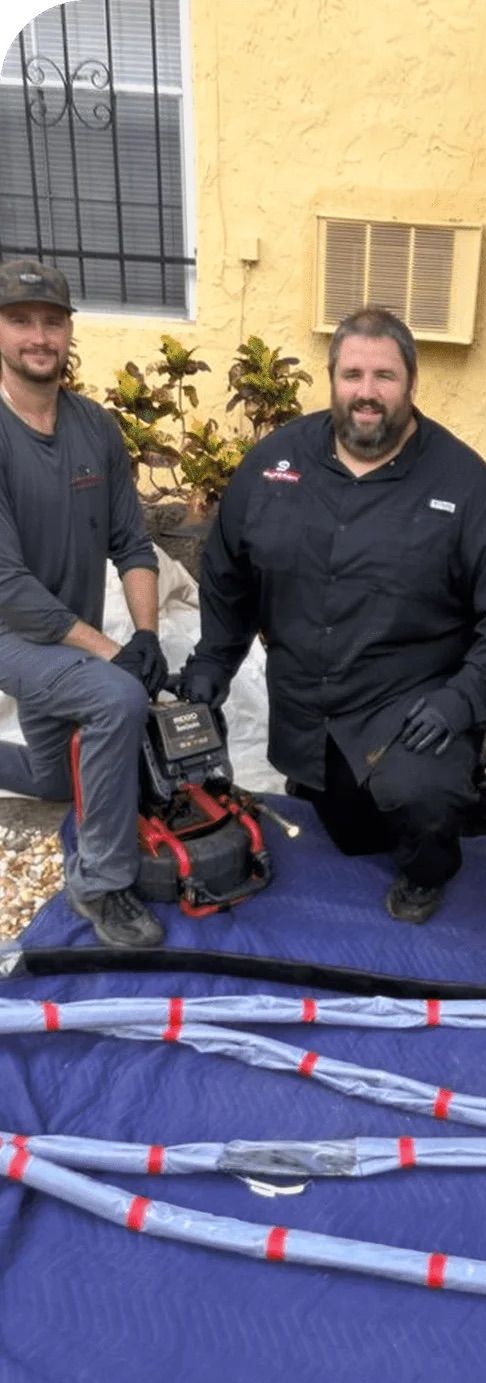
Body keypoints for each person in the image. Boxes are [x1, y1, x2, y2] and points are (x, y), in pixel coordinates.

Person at [179, 306, 486, 923]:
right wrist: (214, 660)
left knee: (423, 802)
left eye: (384, 376)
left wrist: (464, 701)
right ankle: (351, 795)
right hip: (308, 701)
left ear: (411, 384)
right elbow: (226, 573)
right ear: (332, 378)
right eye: (352, 375)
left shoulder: (465, 483)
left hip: (410, 699)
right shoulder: (275, 464)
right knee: (349, 834)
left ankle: (431, 869)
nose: (366, 393)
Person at [0, 259, 170, 949]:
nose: (38, 336)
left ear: (69, 331)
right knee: (116, 700)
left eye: (51, 321)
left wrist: (149, 637)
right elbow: (8, 586)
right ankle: (100, 882)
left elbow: (133, 543)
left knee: (55, 777)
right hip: (11, 632)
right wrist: (115, 658)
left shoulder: (96, 427)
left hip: (66, 634)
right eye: (20, 321)